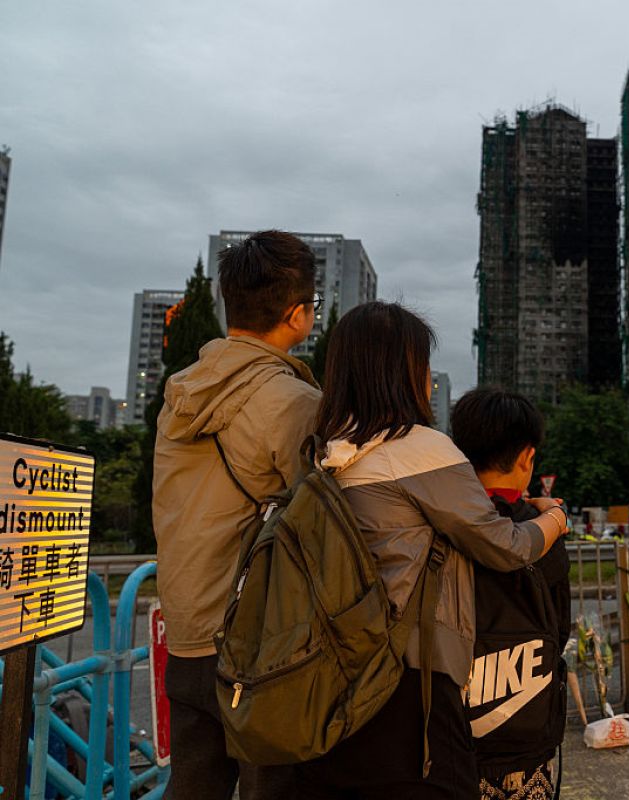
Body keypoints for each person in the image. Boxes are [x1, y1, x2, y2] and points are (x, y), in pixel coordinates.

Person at [298, 302, 569, 800]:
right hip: (410, 682)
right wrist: (555, 518)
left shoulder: (322, 452)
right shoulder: (420, 448)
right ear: (403, 373)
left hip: (333, 676)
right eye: (421, 365)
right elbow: (505, 546)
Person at [153, 230, 322, 800]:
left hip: (185, 635)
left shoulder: (180, 392)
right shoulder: (293, 403)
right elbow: (320, 518)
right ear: (298, 315)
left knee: (193, 787)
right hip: (256, 646)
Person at [450, 388, 571, 800]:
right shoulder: (545, 531)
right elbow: (561, 627)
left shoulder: (442, 525)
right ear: (526, 458)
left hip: (455, 739)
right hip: (527, 735)